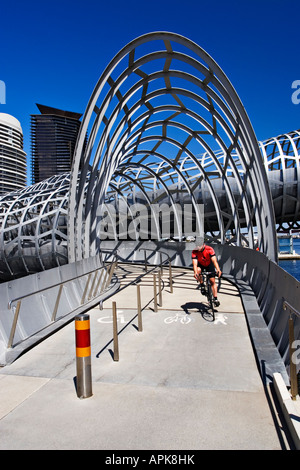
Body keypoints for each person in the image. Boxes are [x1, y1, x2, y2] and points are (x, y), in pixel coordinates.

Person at [192, 241, 222, 307]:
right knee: (198, 270)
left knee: (212, 281)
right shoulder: (194, 251)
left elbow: (214, 261)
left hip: (209, 264)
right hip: (200, 264)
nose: (198, 247)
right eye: (197, 245)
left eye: (199, 245)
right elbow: (194, 264)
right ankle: (202, 284)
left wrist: (218, 270)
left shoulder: (209, 249)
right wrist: (195, 273)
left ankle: (215, 298)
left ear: (203, 244)